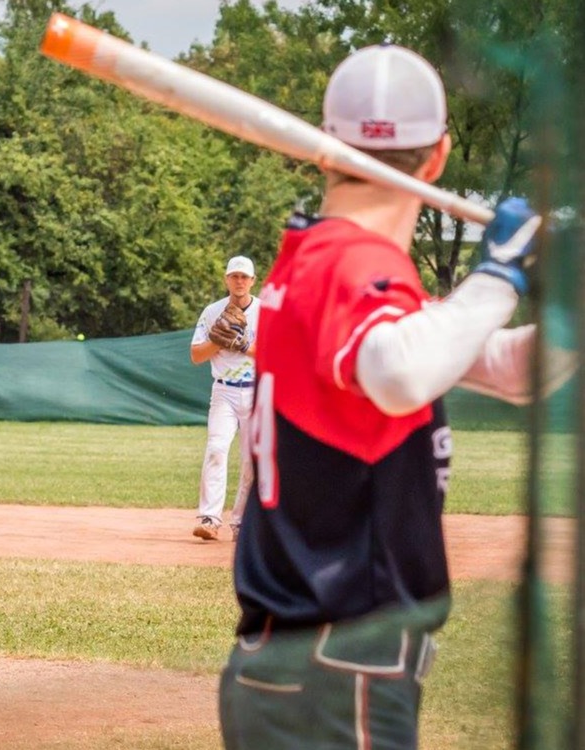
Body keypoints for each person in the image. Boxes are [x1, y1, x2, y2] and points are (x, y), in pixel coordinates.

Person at [219, 44, 568, 749]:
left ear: (323, 151)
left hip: (295, 669)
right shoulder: (355, 264)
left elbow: (497, 365)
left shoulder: (317, 262)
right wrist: (500, 272)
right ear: (438, 157)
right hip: (340, 673)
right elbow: (401, 370)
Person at [190, 256, 260, 542]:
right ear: (226, 279)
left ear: (253, 281)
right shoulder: (212, 312)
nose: (239, 281)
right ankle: (209, 518)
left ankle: (242, 523)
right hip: (224, 391)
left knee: (250, 461)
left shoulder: (265, 312)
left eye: (244, 277)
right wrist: (219, 340)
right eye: (234, 276)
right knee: (217, 449)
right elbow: (196, 355)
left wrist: (243, 344)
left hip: (256, 390)